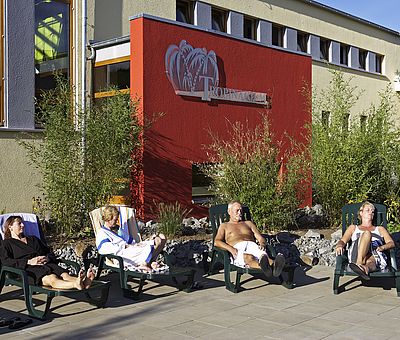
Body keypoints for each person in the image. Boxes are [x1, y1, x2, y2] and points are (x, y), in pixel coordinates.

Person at [0, 216, 94, 290]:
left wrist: (48, 258)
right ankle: (76, 283)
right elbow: (6, 261)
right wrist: (29, 262)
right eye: (19, 223)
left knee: (65, 275)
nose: (23, 225)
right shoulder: (7, 243)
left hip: (47, 264)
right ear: (10, 227)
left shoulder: (33, 239)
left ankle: (84, 282)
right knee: (52, 279)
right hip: (29, 270)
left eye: (23, 223)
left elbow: (49, 252)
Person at [214, 201, 286, 278]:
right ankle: (268, 267)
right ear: (229, 211)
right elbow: (217, 242)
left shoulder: (248, 223)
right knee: (248, 258)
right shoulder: (224, 226)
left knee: (265, 257)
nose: (240, 213)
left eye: (241, 210)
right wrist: (231, 249)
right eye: (237, 210)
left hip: (253, 245)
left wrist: (262, 243)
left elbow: (260, 237)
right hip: (237, 248)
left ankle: (274, 266)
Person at [95, 205, 167, 272]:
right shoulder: (102, 233)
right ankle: (146, 263)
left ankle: (150, 262)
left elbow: (131, 241)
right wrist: (124, 246)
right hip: (124, 255)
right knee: (156, 242)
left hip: (131, 249)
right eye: (115, 219)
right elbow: (103, 249)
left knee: (162, 237)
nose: (117, 221)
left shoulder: (117, 229)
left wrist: (145, 241)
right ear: (108, 219)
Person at [336, 201, 395, 280]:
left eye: (372, 211)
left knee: (372, 262)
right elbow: (343, 241)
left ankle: (364, 269)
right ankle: (359, 263)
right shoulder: (353, 228)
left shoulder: (380, 229)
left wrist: (383, 247)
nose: (371, 212)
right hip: (357, 253)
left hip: (375, 252)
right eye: (368, 210)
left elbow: (391, 243)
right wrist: (340, 245)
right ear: (361, 213)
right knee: (367, 233)